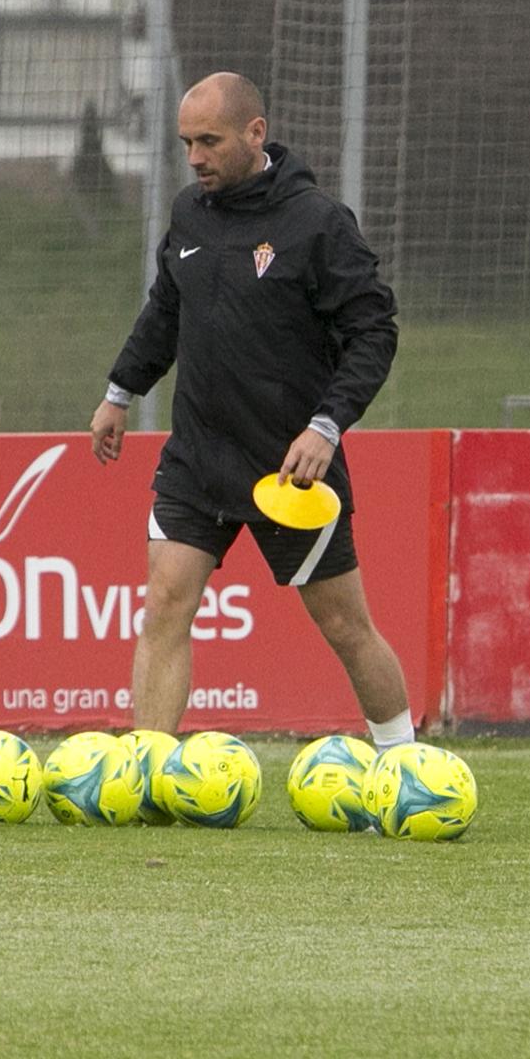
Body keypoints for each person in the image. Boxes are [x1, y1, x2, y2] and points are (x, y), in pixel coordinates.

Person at [89, 72, 413, 755]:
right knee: (165, 604)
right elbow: (165, 312)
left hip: (288, 467)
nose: (196, 157)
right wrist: (121, 392)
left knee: (346, 625)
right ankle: (149, 766)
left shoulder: (318, 222)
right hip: (198, 458)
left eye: (209, 141)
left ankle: (405, 760)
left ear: (255, 134)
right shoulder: (189, 213)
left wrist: (326, 427)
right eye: (187, 143)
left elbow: (374, 333)